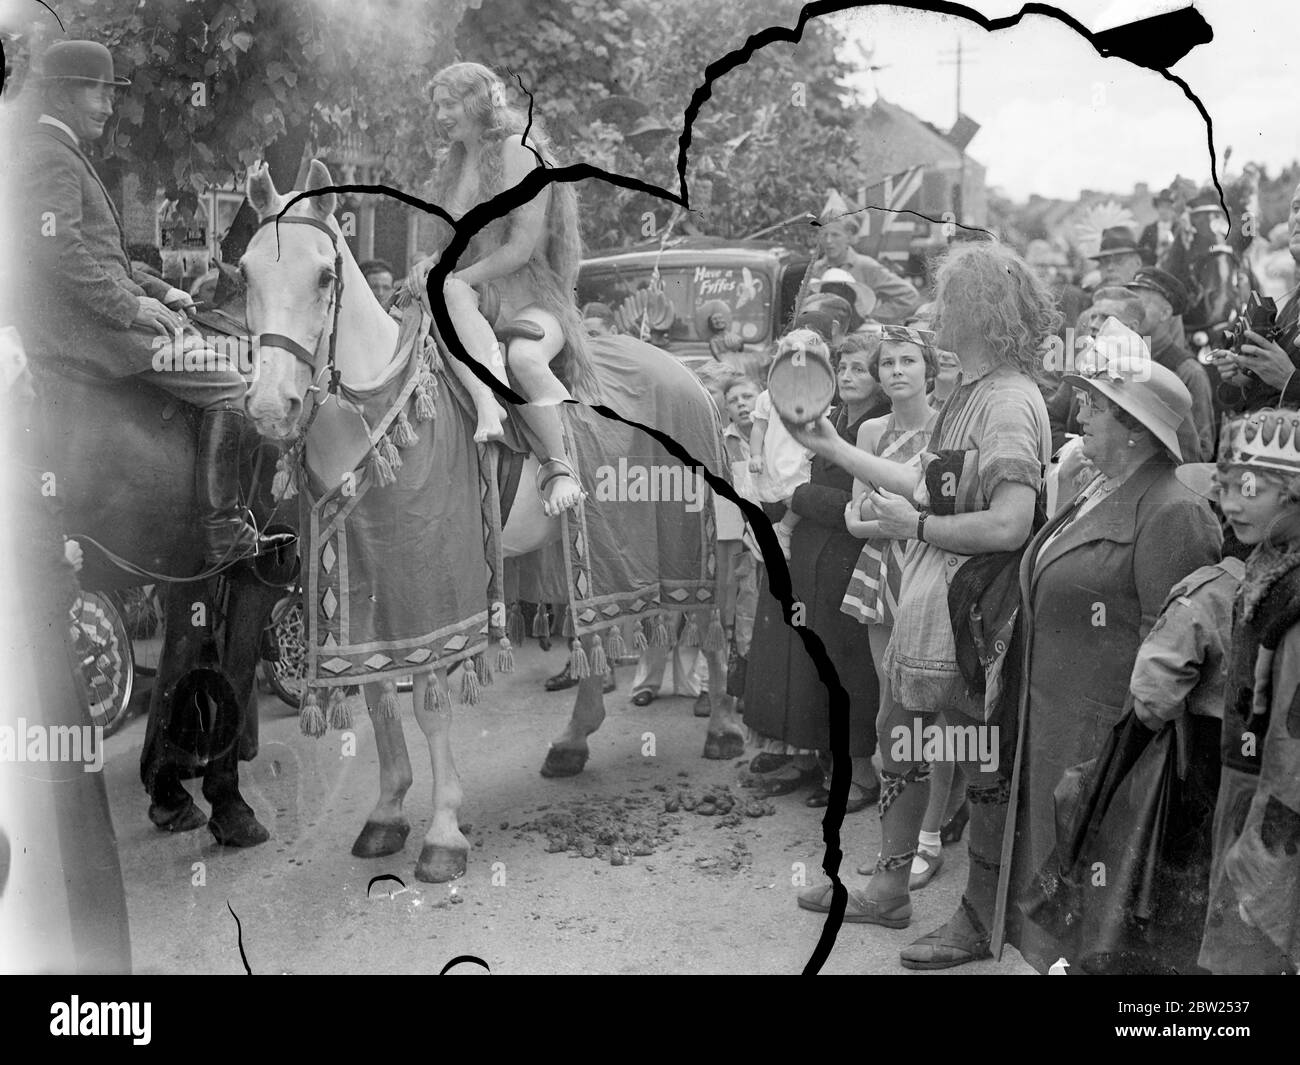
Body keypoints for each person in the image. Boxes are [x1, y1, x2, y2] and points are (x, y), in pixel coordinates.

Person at [789, 240, 1053, 968]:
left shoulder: (1006, 401)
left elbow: (1011, 523)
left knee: (972, 753)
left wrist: (921, 529)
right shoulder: (971, 390)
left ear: (980, 313)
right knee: (899, 728)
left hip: (978, 613)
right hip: (937, 601)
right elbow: (916, 478)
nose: (933, 314)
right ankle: (889, 884)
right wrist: (834, 450)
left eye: (948, 302)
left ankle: (974, 917)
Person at [1002, 320, 1222, 973]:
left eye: (1095, 404)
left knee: (1096, 919)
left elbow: (1174, 653)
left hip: (1106, 756)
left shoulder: (1173, 511)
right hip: (1055, 736)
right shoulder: (1095, 483)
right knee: (1053, 911)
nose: (1077, 412)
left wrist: (1114, 763)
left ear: (1134, 427)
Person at [15, 40, 287, 566]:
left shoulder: (62, 152)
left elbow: (106, 259)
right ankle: (222, 528)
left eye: (110, 91)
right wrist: (132, 309)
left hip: (100, 319)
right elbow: (62, 256)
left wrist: (163, 292)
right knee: (230, 383)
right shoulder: (51, 156)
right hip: (93, 335)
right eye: (97, 90)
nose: (109, 103)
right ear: (65, 92)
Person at [409, 62, 597, 517]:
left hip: (530, 297)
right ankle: (482, 407)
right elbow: (457, 246)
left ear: (477, 101)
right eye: (437, 106)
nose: (441, 115)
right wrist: (428, 264)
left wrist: (456, 278)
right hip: (471, 298)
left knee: (524, 359)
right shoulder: (454, 163)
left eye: (449, 104)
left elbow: (519, 248)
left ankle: (559, 467)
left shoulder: (518, 149)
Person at [743, 332, 888, 806]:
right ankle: (808, 757)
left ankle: (860, 775)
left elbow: (864, 504)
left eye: (860, 369)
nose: (847, 376)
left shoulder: (877, 428)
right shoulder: (837, 418)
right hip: (811, 554)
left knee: (849, 670)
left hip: (849, 561)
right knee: (805, 662)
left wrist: (798, 497)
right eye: (842, 368)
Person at [836, 327, 945, 884]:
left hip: (932, 572)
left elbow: (936, 508)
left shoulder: (947, 426)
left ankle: (931, 834)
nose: (897, 371)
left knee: (936, 707)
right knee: (890, 704)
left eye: (908, 361)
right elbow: (855, 518)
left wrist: (897, 516)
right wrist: (897, 516)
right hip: (882, 573)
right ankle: (900, 843)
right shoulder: (873, 430)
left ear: (930, 370)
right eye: (888, 364)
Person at [1198, 410, 1300, 974]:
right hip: (1248, 788)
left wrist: (1260, 854)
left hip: (1275, 813)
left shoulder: (1294, 599)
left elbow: (1292, 753)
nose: (1230, 503)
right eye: (1227, 486)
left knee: (1252, 947)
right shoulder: (1270, 558)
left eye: (1250, 488)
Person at [1209, 179, 1300, 413]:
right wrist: (1249, 377)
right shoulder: (1293, 301)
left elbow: (1287, 379)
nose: (1298, 217)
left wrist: (1289, 380)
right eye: (1296, 208)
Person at [1126, 265, 1216, 459]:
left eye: (1141, 304)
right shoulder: (1121, 358)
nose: (1133, 310)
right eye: (1131, 302)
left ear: (1165, 314)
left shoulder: (1189, 373)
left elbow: (1202, 451)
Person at [748, 331, 818, 560]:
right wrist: (755, 455)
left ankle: (784, 530)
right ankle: (759, 530)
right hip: (772, 456)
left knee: (797, 498)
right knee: (766, 494)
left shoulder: (816, 397)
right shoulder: (767, 397)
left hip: (798, 457)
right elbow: (758, 427)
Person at [809, 217, 920, 325]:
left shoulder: (866, 266)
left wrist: (872, 317)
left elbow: (909, 295)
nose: (828, 240)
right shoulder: (814, 269)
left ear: (848, 237)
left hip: (858, 336)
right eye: (824, 235)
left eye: (835, 235)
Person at [1138, 187, 1178, 266]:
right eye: (1161, 206)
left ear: (1173, 209)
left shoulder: (1178, 228)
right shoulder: (1149, 229)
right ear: (1157, 208)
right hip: (1152, 268)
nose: (1164, 211)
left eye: (1168, 207)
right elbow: (1139, 250)